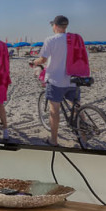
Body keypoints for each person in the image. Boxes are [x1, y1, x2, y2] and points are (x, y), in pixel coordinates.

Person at [30, 14, 77, 147]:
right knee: (76, 106)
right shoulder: (74, 39)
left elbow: (43, 59)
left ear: (55, 26)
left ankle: (54, 140)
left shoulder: (51, 40)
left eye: (52, 25)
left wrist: (34, 62)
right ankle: (83, 136)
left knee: (54, 109)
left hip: (56, 80)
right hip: (73, 78)